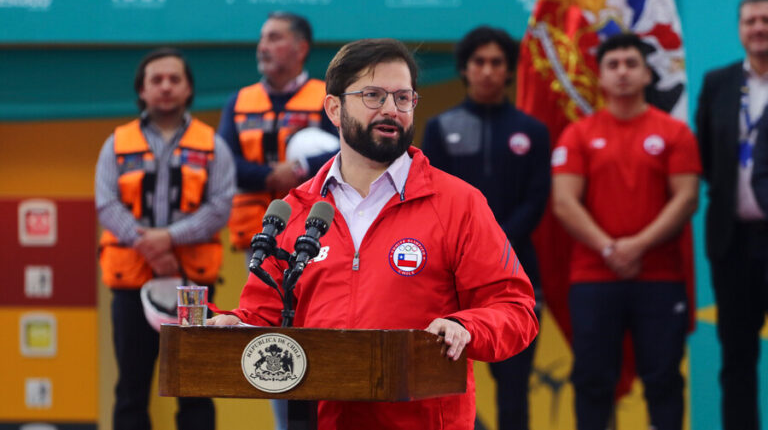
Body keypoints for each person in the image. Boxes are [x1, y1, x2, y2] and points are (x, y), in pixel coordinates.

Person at [209, 38, 539, 430]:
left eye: (403, 98)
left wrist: (465, 327)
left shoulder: (458, 203)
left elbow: (516, 309)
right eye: (373, 95)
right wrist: (234, 326)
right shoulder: (298, 210)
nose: (390, 109)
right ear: (334, 107)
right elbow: (262, 315)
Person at [552, 33, 700, 430]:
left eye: (631, 64)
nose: (622, 72)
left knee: (664, 380)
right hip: (593, 278)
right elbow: (564, 203)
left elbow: (686, 198)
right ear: (600, 76)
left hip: (660, 277)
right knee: (594, 382)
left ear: (647, 73)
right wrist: (608, 249)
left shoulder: (674, 133)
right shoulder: (578, 134)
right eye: (613, 65)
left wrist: (636, 246)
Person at [95, 48, 235, 430]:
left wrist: (167, 238)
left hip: (192, 288)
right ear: (142, 90)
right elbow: (106, 204)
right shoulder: (116, 144)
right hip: (131, 284)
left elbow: (220, 207)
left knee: (194, 386)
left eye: (175, 79)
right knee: (131, 388)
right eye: (156, 80)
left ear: (189, 89)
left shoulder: (213, 146)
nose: (166, 87)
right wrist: (152, 248)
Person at [421, 26, 550, 430]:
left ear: (510, 70)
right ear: (465, 69)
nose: (488, 71)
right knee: (446, 387)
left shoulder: (533, 131)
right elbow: (431, 202)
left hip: (516, 271)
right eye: (479, 62)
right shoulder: (441, 128)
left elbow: (536, 200)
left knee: (514, 388)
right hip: (450, 278)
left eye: (497, 62)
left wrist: (493, 246)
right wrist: (469, 250)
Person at [696, 0, 768, 430]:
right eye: (751, 21)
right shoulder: (718, 83)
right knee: (736, 359)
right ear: (740, 30)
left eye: (766, 19)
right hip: (733, 241)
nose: (759, 28)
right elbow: (705, 153)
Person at [217, 11, 337, 253]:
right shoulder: (238, 102)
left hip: (312, 233)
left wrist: (300, 167)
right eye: (262, 39)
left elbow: (347, 154)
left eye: (274, 38)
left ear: (300, 48)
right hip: (256, 234)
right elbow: (224, 164)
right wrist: (271, 176)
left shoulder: (328, 99)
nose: (263, 47)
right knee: (260, 292)